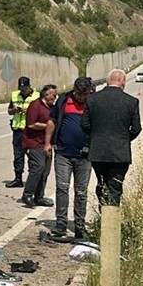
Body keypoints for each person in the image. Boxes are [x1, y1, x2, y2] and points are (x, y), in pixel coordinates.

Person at [81, 68, 141, 206]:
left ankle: (103, 216)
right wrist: (124, 139)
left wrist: (96, 136)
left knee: (102, 183)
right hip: (120, 152)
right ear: (123, 82)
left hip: (98, 151)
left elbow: (84, 124)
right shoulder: (131, 102)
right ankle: (111, 220)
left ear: (107, 82)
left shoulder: (92, 100)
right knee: (115, 186)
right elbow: (136, 128)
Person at [45, 76, 93, 239]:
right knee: (62, 188)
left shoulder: (93, 102)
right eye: (79, 94)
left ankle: (79, 225)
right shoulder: (63, 101)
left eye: (84, 94)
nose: (81, 97)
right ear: (74, 91)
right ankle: (61, 224)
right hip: (63, 153)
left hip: (85, 155)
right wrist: (47, 143)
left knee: (81, 192)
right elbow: (51, 122)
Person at [21, 84, 58, 207]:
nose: (55, 97)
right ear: (46, 95)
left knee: (45, 171)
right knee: (38, 168)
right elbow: (31, 124)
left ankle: (39, 196)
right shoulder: (35, 106)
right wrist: (49, 126)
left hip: (47, 143)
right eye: (53, 95)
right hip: (34, 143)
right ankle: (27, 195)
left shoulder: (52, 107)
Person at [5, 76, 39, 188]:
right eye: (21, 88)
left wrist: (29, 111)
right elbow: (9, 111)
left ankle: (32, 179)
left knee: (32, 156)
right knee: (18, 155)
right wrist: (15, 110)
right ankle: (18, 178)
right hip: (18, 130)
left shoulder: (37, 96)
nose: (23, 90)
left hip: (31, 131)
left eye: (25, 88)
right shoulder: (15, 95)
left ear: (30, 86)